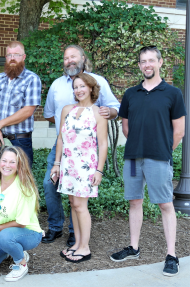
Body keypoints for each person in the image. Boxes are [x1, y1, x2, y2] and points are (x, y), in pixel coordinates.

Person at [110, 46, 186, 276]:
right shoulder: (131, 93)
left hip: (158, 158)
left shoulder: (173, 93)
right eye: (143, 61)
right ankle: (134, 248)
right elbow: (125, 124)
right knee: (134, 201)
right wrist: (137, 144)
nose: (147, 65)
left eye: (151, 60)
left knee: (165, 204)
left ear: (160, 62)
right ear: (140, 65)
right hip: (133, 158)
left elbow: (179, 131)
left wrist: (162, 149)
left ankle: (171, 255)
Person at [42, 45, 120, 246]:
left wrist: (104, 114)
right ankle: (56, 226)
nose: (69, 60)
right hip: (63, 146)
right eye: (66, 58)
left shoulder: (97, 81)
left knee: (78, 200)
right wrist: (70, 130)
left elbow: (114, 109)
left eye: (73, 56)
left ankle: (75, 236)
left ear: (83, 58)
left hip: (85, 153)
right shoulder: (57, 85)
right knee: (50, 184)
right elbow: (50, 113)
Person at [50, 73, 108, 263]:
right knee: (74, 205)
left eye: (82, 86)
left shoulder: (98, 113)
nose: (79, 90)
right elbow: (60, 138)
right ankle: (76, 244)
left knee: (81, 206)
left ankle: (85, 247)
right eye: (75, 87)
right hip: (68, 165)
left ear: (91, 88)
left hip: (86, 166)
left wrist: (99, 170)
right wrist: (57, 164)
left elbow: (103, 143)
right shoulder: (67, 109)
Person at [0, 146, 43, 282]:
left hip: (28, 233)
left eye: (12, 162)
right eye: (4, 161)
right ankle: (11, 249)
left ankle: (21, 263)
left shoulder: (25, 189)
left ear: (19, 165)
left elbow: (22, 223)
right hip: (1, 234)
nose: (7, 165)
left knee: (5, 236)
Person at [0, 41, 41, 173]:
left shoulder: (32, 79)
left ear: (24, 57)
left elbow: (28, 110)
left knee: (22, 179)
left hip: (20, 140)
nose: (12, 58)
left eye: (16, 55)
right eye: (9, 55)